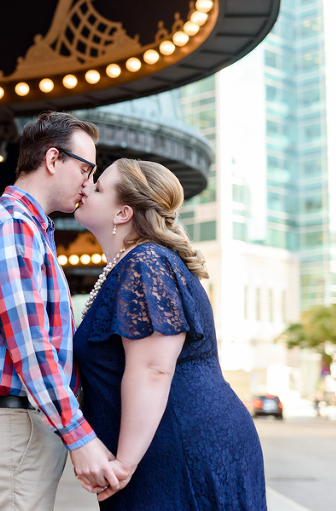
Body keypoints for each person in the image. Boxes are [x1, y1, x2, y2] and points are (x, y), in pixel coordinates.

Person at [73, 158, 267, 509]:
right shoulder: (134, 263)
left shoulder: (146, 262)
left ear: (123, 214)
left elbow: (152, 370)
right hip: (161, 443)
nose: (86, 187)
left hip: (179, 447)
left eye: (99, 186)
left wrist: (125, 463)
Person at [0, 111, 121, 511]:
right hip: (13, 425)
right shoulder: (12, 226)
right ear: (52, 160)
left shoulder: (28, 228)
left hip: (21, 424)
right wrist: (79, 437)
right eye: (86, 168)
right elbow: (31, 347)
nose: (89, 182)